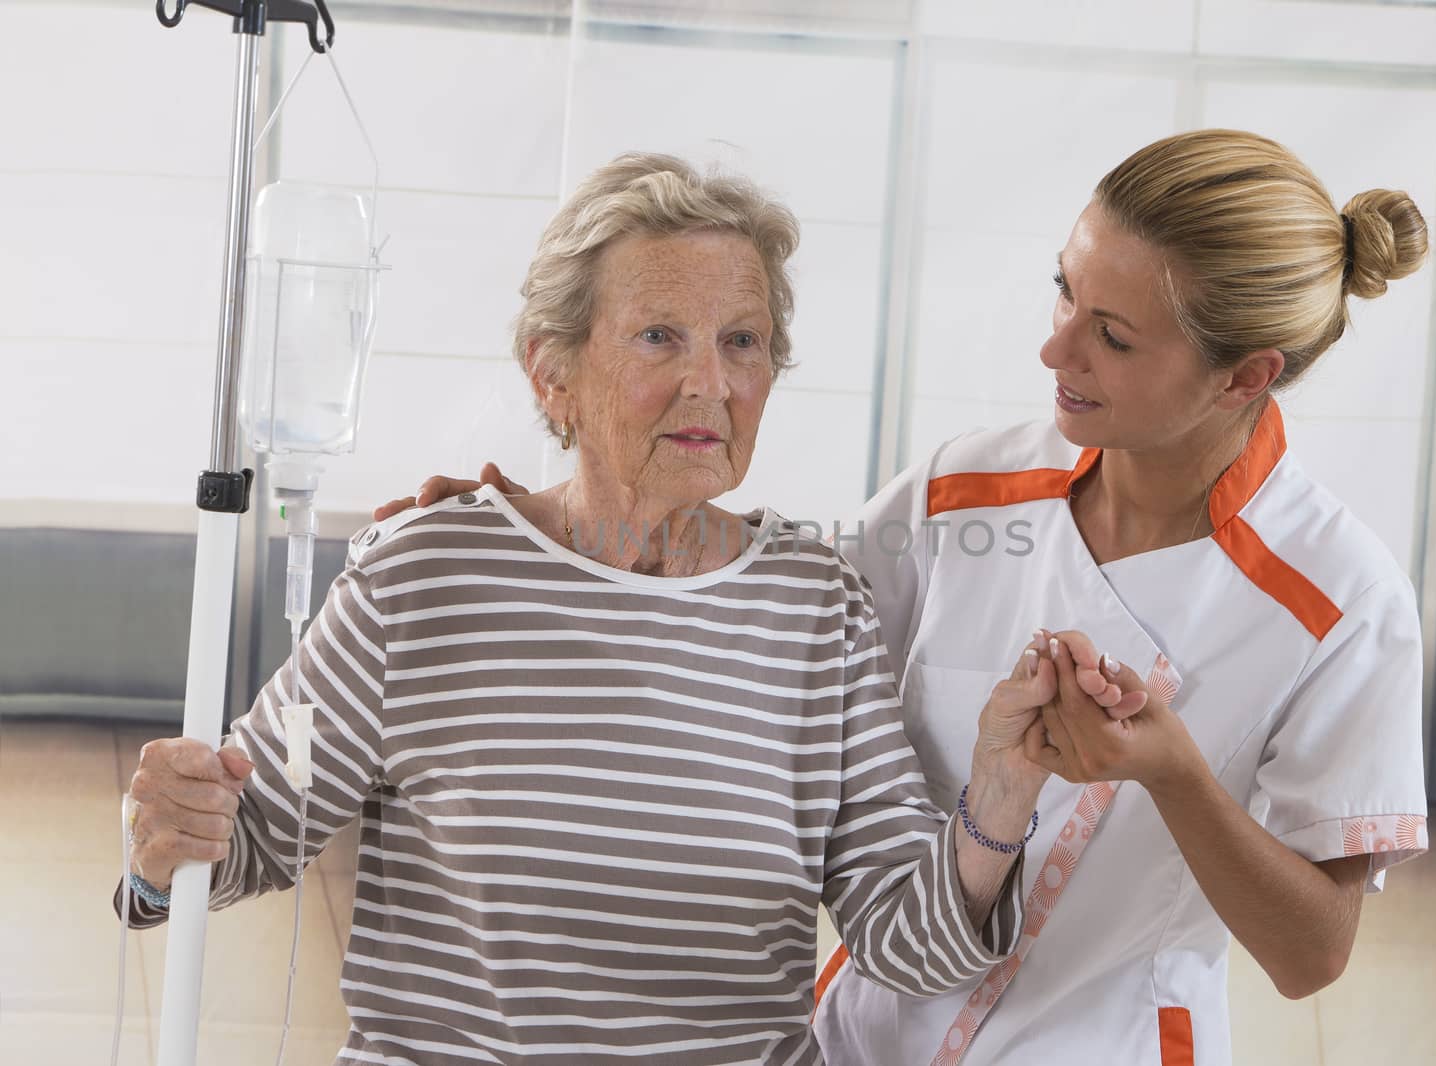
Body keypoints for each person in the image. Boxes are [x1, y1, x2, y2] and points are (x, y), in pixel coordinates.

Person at [394, 130, 1432, 1065]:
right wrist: (546, 532)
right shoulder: (966, 491)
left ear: (1242, 378)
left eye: (1111, 336)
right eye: (1062, 292)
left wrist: (1172, 776)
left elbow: (1311, 955)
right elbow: (760, 619)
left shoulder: (1340, 606)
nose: (1054, 348)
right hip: (858, 1037)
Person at [116, 153, 1062, 1065]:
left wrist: (1002, 797)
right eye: (660, 336)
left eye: (743, 341)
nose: (711, 384)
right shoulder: (418, 581)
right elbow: (245, 834)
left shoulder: (818, 610)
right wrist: (165, 840)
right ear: (550, 372)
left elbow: (911, 944)